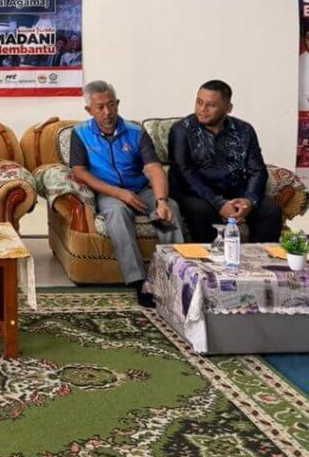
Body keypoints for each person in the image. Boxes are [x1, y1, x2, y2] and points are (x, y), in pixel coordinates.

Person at [70, 80, 184, 307]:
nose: (107, 112)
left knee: (170, 208)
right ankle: (139, 281)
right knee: (117, 214)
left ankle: (175, 276)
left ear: (118, 104)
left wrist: (161, 200)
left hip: (140, 190)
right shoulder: (80, 133)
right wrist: (119, 193)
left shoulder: (136, 132)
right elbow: (79, 171)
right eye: (100, 107)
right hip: (109, 192)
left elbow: (154, 168)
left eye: (111, 105)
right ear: (89, 110)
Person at [168, 80, 282, 244]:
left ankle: (258, 258)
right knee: (201, 211)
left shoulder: (244, 130)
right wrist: (219, 203)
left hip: (235, 192)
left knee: (270, 209)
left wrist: (249, 200)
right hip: (196, 194)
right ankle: (212, 259)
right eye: (199, 102)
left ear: (228, 108)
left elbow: (257, 170)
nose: (202, 109)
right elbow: (185, 173)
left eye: (211, 105)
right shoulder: (181, 130)